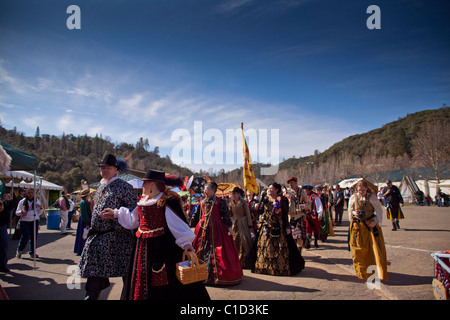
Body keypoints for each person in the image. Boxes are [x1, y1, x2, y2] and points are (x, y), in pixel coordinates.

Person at [101, 169, 210, 300]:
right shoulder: (143, 201)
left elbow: (177, 223)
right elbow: (133, 220)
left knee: (162, 280)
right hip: (141, 247)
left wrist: (186, 242)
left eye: (145, 183)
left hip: (161, 247)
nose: (142, 186)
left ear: (153, 184)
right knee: (141, 277)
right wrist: (116, 213)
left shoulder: (166, 201)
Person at [77, 154, 138, 300]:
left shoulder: (124, 187)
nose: (105, 170)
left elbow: (135, 211)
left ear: (116, 169)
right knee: (94, 276)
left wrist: (116, 214)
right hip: (98, 239)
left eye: (108, 168)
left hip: (118, 240)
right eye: (102, 168)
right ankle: (91, 296)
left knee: (128, 277)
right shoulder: (100, 187)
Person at [190, 181, 242, 285]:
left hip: (217, 229)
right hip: (203, 229)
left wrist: (229, 227)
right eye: (204, 189)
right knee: (201, 249)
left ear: (213, 191)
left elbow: (225, 214)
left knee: (218, 251)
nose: (205, 191)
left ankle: (216, 276)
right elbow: (196, 216)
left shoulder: (220, 201)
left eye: (207, 189)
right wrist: (189, 225)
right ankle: (198, 274)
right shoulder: (201, 202)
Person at [253, 182, 304, 276]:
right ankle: (264, 267)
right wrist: (257, 207)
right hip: (266, 226)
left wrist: (287, 226)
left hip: (278, 226)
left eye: (271, 188)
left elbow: (285, 214)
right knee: (265, 246)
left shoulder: (282, 200)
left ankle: (278, 269)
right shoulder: (264, 199)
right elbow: (260, 212)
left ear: (277, 190)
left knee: (280, 248)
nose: (269, 190)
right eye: (268, 188)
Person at [348, 180, 388, 281]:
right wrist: (354, 213)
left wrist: (375, 222)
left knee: (372, 250)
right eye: (359, 190)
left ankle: (374, 271)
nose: (361, 192)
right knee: (357, 250)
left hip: (370, 226)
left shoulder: (372, 197)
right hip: (358, 227)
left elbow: (379, 210)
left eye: (363, 190)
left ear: (366, 188)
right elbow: (350, 209)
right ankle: (361, 271)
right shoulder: (354, 197)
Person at [228, 187, 255, 269]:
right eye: (232, 194)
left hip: (243, 223)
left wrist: (250, 225)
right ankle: (236, 261)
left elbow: (248, 214)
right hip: (234, 224)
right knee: (235, 241)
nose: (233, 195)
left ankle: (245, 261)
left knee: (244, 241)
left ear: (239, 194)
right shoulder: (230, 203)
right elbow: (230, 215)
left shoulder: (244, 203)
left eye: (235, 194)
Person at [15, 188, 42, 258]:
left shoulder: (37, 201)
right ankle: (20, 250)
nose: (30, 194)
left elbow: (39, 213)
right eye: (29, 193)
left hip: (34, 220)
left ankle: (32, 252)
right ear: (26, 193)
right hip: (25, 221)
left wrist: (41, 208)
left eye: (32, 193)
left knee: (34, 237)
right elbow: (17, 212)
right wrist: (21, 212)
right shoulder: (22, 202)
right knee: (25, 236)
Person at [285, 176, 310, 252]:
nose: (290, 185)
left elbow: (308, 203)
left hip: (299, 217)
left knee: (299, 237)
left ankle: (298, 255)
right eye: (289, 183)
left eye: (292, 183)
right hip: (289, 218)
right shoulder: (285, 193)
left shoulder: (301, 192)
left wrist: (304, 206)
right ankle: (294, 254)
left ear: (296, 183)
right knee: (291, 238)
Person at [303, 184, 323, 249]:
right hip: (307, 215)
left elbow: (319, 206)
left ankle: (316, 241)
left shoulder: (315, 196)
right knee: (307, 229)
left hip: (314, 215)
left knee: (316, 229)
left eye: (305, 190)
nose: (305, 191)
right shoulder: (303, 196)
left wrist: (320, 214)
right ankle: (307, 242)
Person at [74, 188, 92, 256]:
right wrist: (87, 222)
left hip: (84, 218)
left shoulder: (84, 201)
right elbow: (85, 214)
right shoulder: (83, 202)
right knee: (83, 234)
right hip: (84, 219)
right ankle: (81, 249)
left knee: (83, 234)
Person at [0, 194, 13, 272]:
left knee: (4, 246)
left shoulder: (4, 203)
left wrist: (9, 200)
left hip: (2, 226)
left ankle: (3, 265)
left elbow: (9, 208)